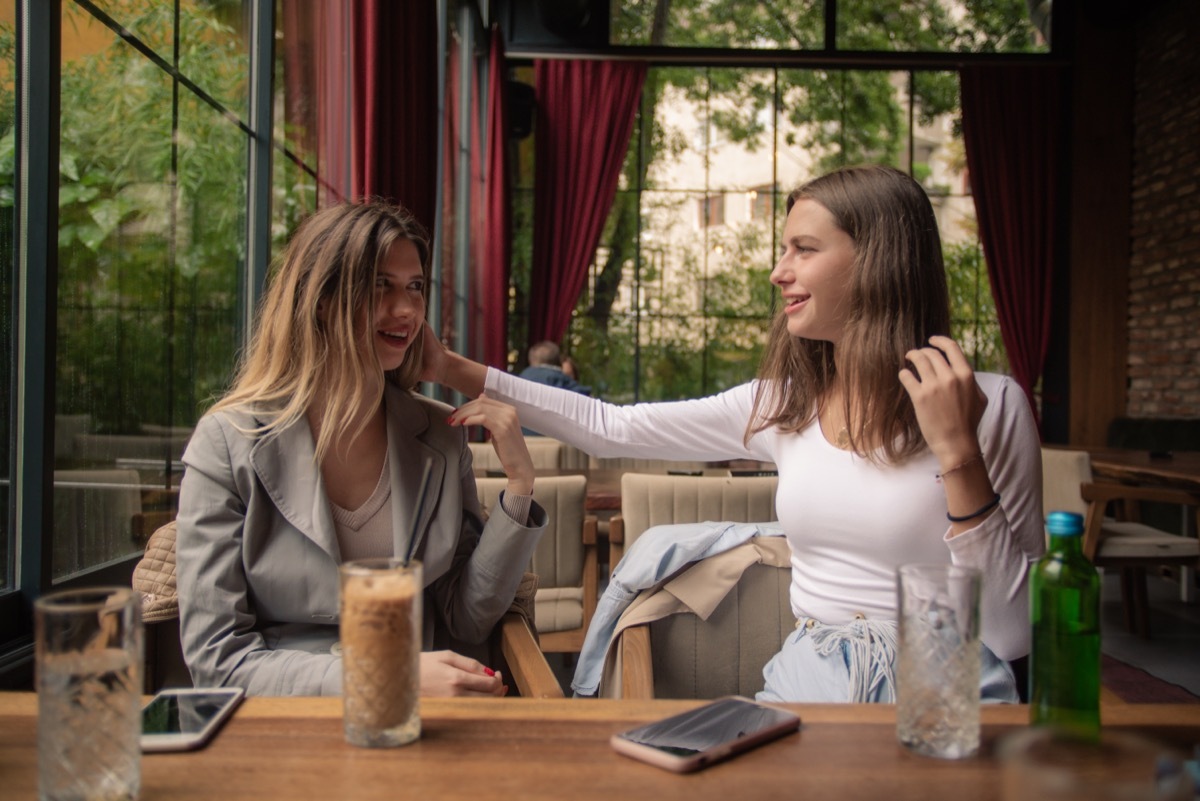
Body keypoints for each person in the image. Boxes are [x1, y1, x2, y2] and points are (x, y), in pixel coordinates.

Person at [423, 164, 1045, 703]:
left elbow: (1012, 633)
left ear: (878, 260)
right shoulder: (784, 405)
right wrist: (449, 368)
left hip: (949, 681)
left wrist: (959, 451)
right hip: (815, 678)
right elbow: (608, 426)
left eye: (804, 248)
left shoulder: (993, 404)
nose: (779, 271)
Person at [175, 200, 547, 697]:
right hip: (285, 721)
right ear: (322, 299)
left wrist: (519, 489)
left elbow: (468, 618)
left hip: (421, 724)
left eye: (415, 287)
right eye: (380, 286)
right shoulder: (227, 442)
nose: (408, 310)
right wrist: (391, 678)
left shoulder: (440, 434)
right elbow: (216, 661)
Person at [518, 341, 589, 434]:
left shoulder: (518, 381)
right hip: (556, 442)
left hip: (521, 441)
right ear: (558, 361)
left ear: (531, 359)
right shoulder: (561, 380)